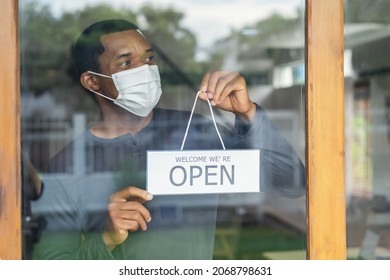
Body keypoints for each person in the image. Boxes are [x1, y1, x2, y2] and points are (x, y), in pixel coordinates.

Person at [32, 19, 306, 260]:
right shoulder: (66, 167)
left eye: (149, 59)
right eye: (127, 62)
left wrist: (248, 113)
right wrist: (106, 239)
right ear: (93, 82)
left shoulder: (195, 132)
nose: (145, 70)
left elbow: (291, 182)